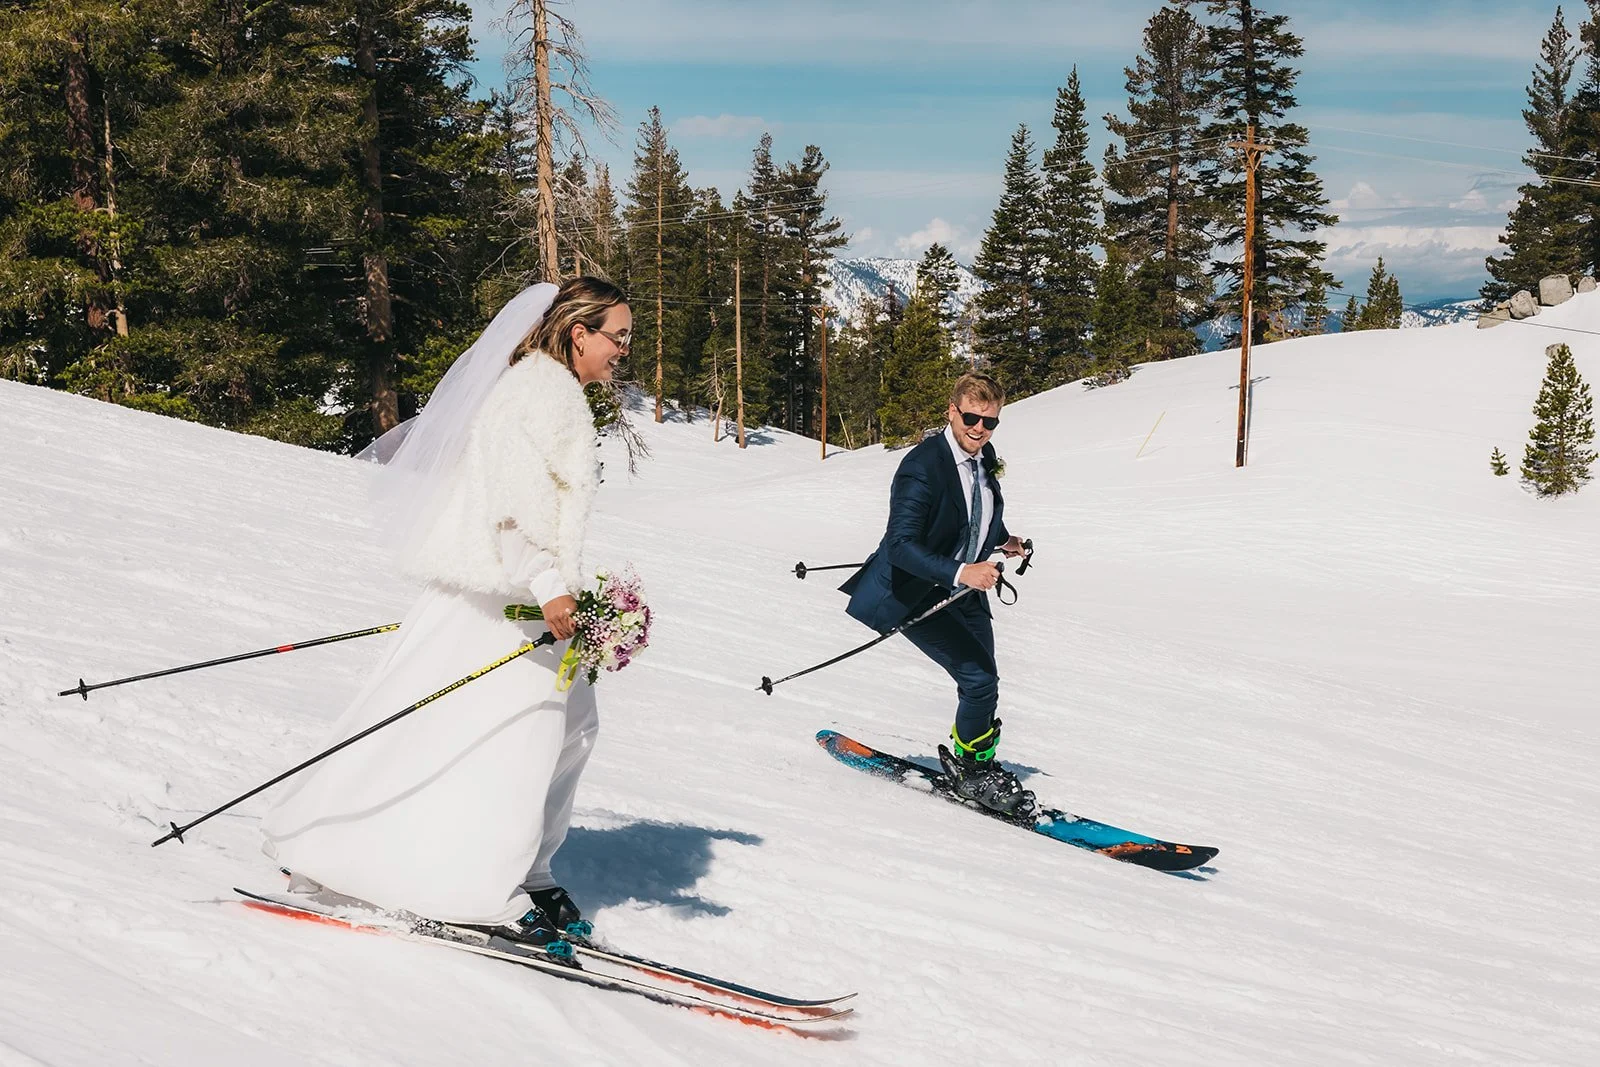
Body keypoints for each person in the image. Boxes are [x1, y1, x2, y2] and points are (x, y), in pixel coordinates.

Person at [260, 276, 632, 946]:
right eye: (618, 337)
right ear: (580, 332)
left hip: (533, 602)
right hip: (506, 597)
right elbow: (511, 509)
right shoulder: (533, 393)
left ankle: (536, 871)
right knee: (510, 740)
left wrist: (576, 591)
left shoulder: (557, 393)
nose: (623, 351)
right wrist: (551, 584)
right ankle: (484, 883)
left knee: (572, 731)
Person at [840, 372, 1033, 817]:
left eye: (990, 422)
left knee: (985, 681)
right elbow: (901, 545)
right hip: (916, 590)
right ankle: (971, 772)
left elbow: (972, 514)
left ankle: (975, 761)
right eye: (971, 417)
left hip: (962, 589)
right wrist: (964, 570)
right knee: (979, 679)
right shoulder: (921, 466)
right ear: (952, 412)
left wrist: (1004, 541)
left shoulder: (984, 457)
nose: (979, 429)